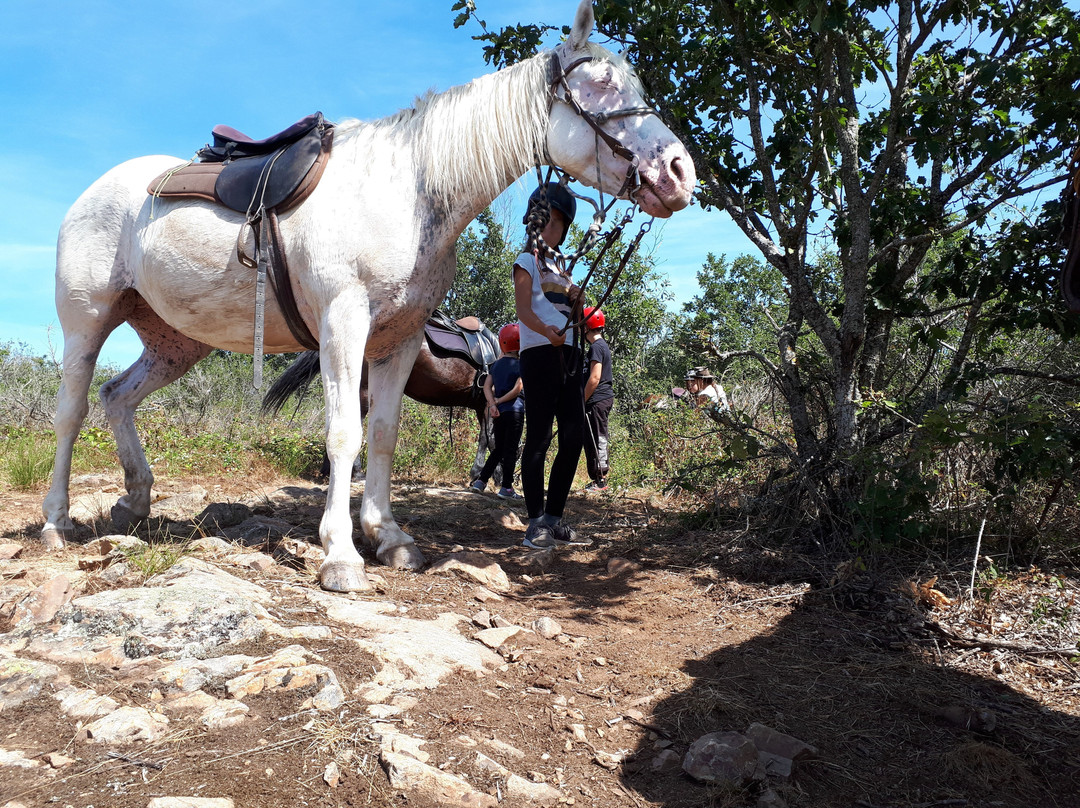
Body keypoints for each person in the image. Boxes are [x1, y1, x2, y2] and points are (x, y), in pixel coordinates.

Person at [514, 182, 592, 550]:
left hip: (570, 354)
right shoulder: (526, 259)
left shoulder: (563, 267)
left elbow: (571, 314)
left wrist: (577, 300)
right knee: (540, 437)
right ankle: (534, 522)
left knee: (574, 435)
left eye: (560, 224)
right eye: (548, 221)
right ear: (534, 221)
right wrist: (547, 330)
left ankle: (555, 519)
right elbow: (524, 311)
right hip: (540, 354)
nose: (553, 229)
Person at [470, 324, 525, 500]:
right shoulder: (522, 364)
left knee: (498, 449)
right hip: (515, 411)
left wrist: (493, 404)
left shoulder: (495, 365)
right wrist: (499, 401)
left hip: (499, 414)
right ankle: (507, 488)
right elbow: (518, 389)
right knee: (510, 450)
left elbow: (486, 386)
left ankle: (481, 481)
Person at [581, 306, 613, 491]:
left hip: (597, 399)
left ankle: (601, 480)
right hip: (594, 400)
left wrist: (582, 399)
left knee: (598, 437)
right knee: (591, 437)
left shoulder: (597, 347)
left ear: (587, 326)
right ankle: (596, 478)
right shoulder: (597, 347)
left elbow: (595, 377)